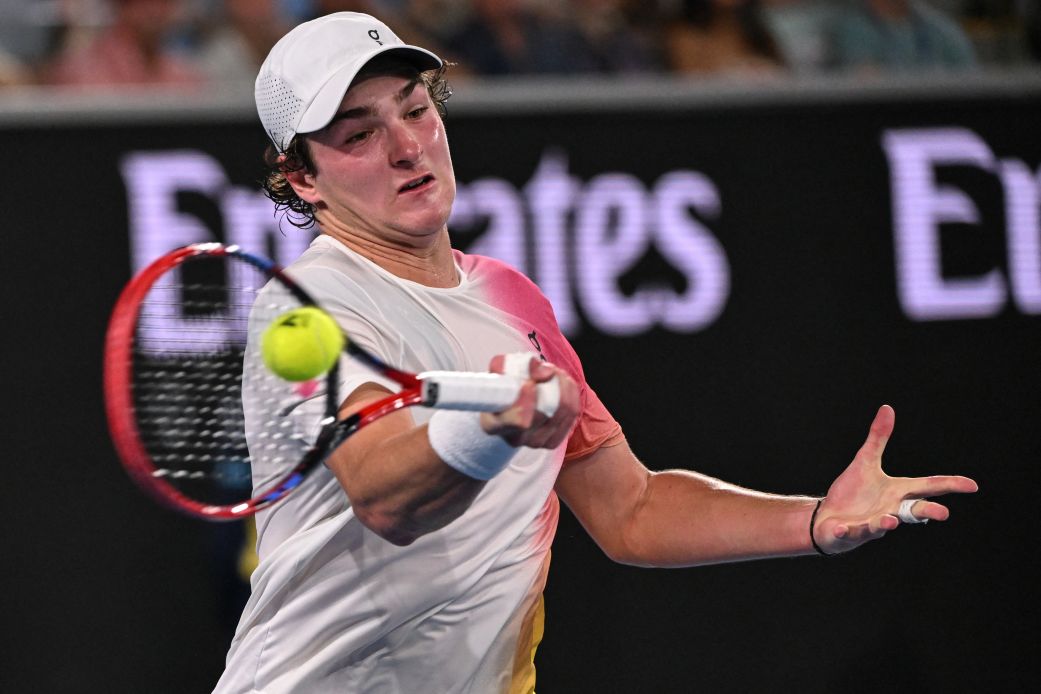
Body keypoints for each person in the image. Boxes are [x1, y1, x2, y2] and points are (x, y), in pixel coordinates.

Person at [216, 12, 978, 693]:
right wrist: (489, 431)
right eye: (358, 134)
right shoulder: (301, 308)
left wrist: (814, 519)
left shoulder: (510, 298)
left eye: (415, 108)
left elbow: (631, 509)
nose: (408, 145)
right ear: (301, 178)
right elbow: (385, 495)